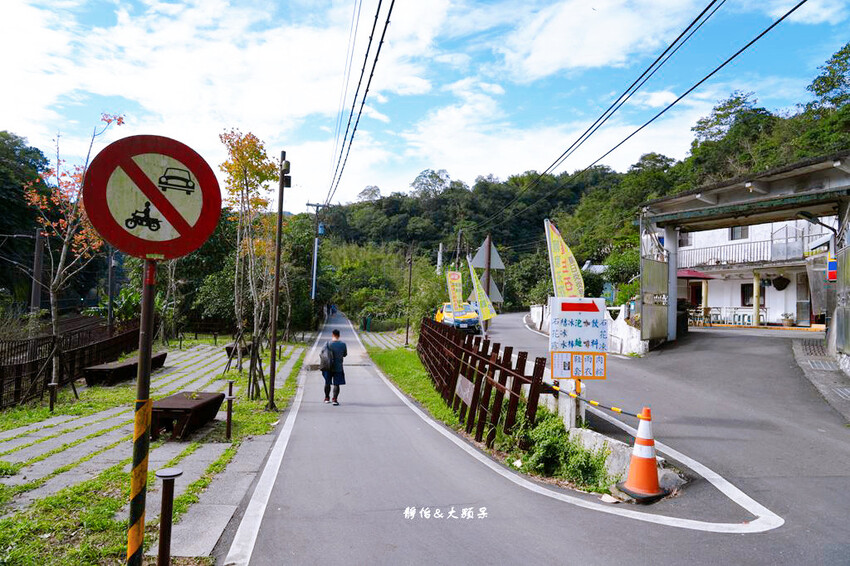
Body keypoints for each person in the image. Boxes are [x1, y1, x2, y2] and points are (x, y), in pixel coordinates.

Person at [322, 329, 347, 405]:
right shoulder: (343, 344)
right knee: (337, 384)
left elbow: (322, 353)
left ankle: (326, 398)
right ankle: (334, 399)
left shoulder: (327, 344)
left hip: (328, 367)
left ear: (332, 334)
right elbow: (345, 354)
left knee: (327, 382)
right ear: (339, 335)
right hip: (338, 367)